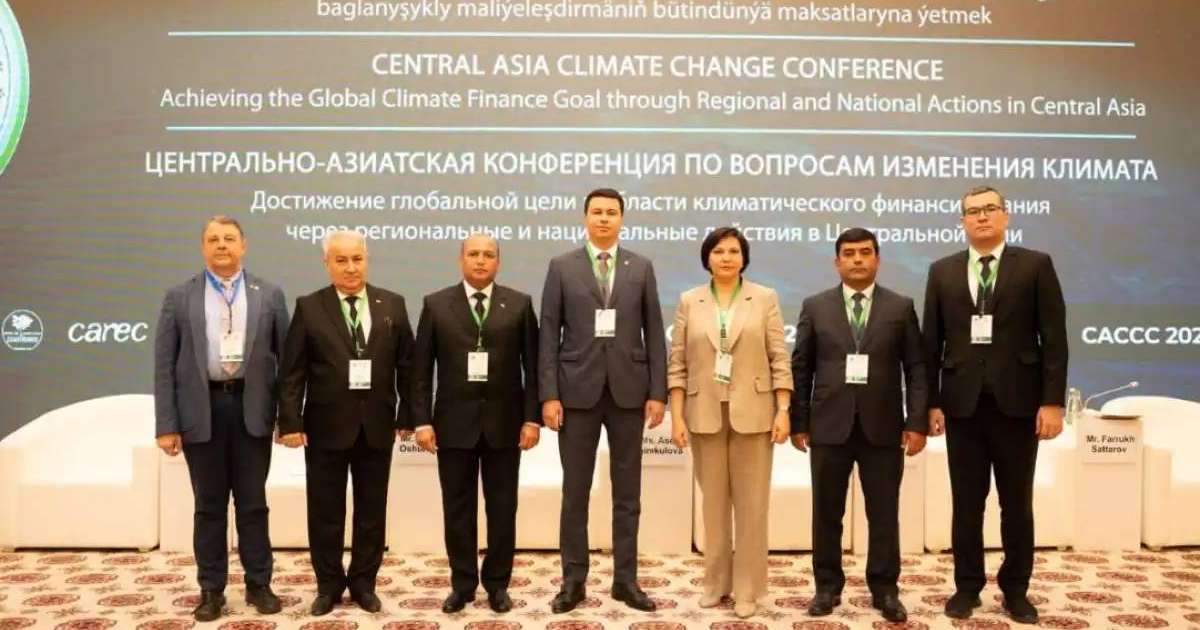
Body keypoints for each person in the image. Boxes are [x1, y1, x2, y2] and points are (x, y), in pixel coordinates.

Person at [923, 186, 1068, 625]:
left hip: (1019, 405)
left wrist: (1052, 402)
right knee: (967, 502)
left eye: (990, 209)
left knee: (1016, 503)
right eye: (972, 212)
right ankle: (967, 587)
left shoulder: (1035, 265)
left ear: (1005, 216)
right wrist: (930, 403)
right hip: (963, 405)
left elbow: (1054, 339)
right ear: (962, 221)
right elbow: (932, 343)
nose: (981, 217)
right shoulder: (942, 271)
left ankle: (1016, 589)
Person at [153, 215, 288, 622]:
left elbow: (287, 362)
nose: (222, 245)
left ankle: (259, 584)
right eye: (213, 239)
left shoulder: (270, 294)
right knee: (208, 505)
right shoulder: (180, 297)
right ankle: (211, 589)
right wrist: (166, 424)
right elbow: (163, 365)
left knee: (253, 503)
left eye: (229, 238)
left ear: (243, 246)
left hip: (251, 410)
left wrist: (288, 418)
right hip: (202, 412)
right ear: (203, 247)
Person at [789, 227, 928, 623]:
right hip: (828, 425)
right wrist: (800, 420)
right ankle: (827, 587)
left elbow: (916, 368)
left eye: (865, 253)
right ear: (837, 262)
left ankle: (885, 589)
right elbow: (802, 366)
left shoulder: (900, 307)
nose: (856, 259)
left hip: (883, 427)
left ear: (877, 259)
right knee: (826, 512)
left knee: (883, 513)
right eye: (848, 253)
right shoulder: (815, 306)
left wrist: (916, 421)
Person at [539, 188, 667, 613]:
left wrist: (657, 392)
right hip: (576, 393)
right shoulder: (562, 267)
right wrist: (549, 394)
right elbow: (548, 336)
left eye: (612, 212)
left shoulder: (641, 267)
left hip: (629, 393)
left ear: (622, 219)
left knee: (627, 493)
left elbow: (654, 331)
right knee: (575, 492)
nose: (604, 219)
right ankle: (572, 582)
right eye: (597, 212)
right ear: (584, 218)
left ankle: (625, 581)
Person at [277, 230, 415, 616]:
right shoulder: (309, 307)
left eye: (357, 259)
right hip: (324, 428)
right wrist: (289, 422)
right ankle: (328, 585)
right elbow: (292, 372)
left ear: (366, 259)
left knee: (372, 511)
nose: (351, 267)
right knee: (325, 511)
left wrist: (408, 416)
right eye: (341, 260)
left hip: (377, 426)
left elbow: (409, 368)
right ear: (327, 264)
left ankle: (364, 583)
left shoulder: (393, 304)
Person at [408, 233, 541, 614]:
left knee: (502, 510)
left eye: (488, 255)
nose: (481, 261)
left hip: (505, 425)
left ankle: (497, 584)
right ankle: (462, 584)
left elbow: (532, 369)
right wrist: (421, 422)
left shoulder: (518, 304)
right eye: (473, 254)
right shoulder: (436, 305)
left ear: (498, 262)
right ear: (460, 259)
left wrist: (531, 419)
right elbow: (421, 371)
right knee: (458, 509)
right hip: (452, 426)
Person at [667, 227, 792, 619]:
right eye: (718, 251)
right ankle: (715, 583)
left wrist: (783, 409)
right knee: (714, 507)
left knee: (752, 507)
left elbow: (779, 357)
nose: (726, 257)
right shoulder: (690, 300)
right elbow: (678, 364)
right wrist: (676, 416)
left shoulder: (765, 297)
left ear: (744, 257)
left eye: (734, 251)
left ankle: (748, 589)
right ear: (707, 258)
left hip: (754, 414)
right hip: (704, 413)